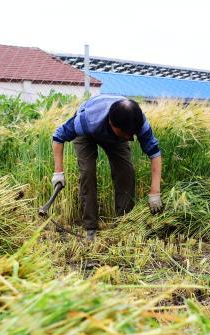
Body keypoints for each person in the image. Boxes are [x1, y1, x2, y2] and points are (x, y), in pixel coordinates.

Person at [51, 95, 163, 241]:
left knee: (126, 172)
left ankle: (124, 224)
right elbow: (58, 137)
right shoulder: (86, 121)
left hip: (116, 137)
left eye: (132, 134)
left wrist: (155, 192)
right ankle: (90, 228)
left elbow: (154, 153)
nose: (130, 137)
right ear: (111, 123)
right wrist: (58, 172)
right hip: (88, 134)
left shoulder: (137, 122)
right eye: (126, 134)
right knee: (87, 172)